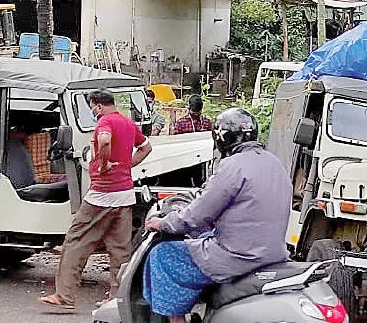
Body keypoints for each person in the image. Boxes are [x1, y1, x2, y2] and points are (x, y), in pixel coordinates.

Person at [143, 108, 291, 322]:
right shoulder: (274, 163)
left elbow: (196, 215)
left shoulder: (232, 166)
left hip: (237, 256)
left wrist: (164, 223)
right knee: (202, 239)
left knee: (162, 255)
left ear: (221, 138)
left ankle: (176, 320)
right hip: (273, 253)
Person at [39, 88, 153, 311]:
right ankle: (117, 299)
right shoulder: (129, 123)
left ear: (99, 105)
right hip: (124, 195)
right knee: (119, 249)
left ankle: (65, 295)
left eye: (92, 106)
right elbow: (146, 147)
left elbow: (104, 140)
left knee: (75, 241)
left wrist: (103, 164)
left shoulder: (105, 122)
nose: (92, 110)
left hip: (102, 194)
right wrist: (127, 165)